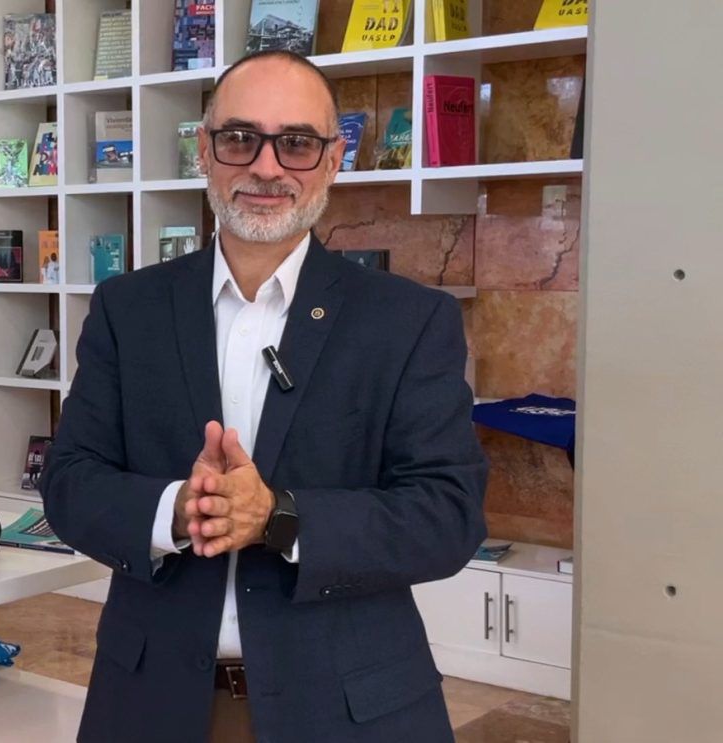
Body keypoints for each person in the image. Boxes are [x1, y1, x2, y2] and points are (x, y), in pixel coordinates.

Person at [40, 50, 488, 742]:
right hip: (150, 703)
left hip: (350, 711)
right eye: (240, 138)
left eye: (297, 143)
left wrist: (278, 517)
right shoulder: (127, 309)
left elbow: (447, 515)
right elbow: (70, 481)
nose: (267, 167)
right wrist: (178, 509)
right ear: (204, 151)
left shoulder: (408, 320)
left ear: (334, 160)